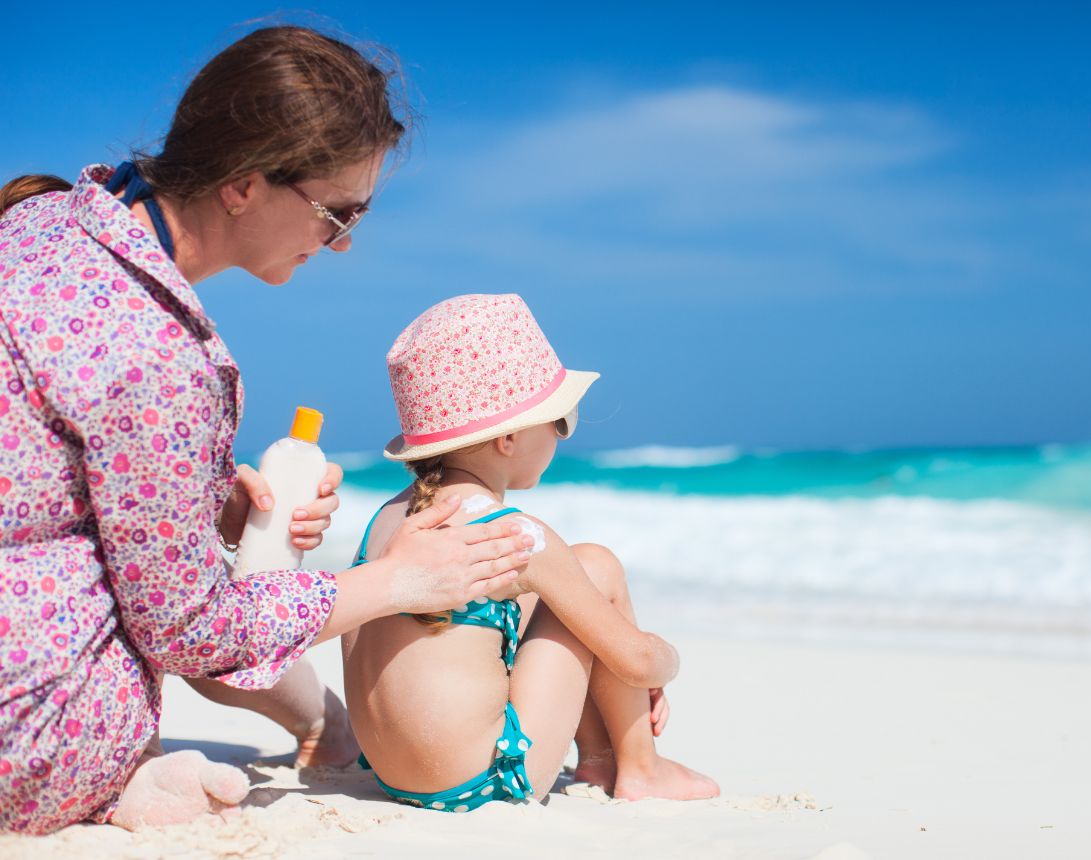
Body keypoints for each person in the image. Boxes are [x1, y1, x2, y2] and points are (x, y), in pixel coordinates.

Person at [0, 26, 532, 834]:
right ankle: (104, 788)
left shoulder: (41, 222)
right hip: (25, 738)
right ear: (243, 186)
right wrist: (399, 581)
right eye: (337, 212)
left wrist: (206, 498)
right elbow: (187, 630)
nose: (347, 242)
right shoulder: (157, 358)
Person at [343, 293, 718, 811]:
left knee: (551, 597)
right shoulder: (515, 535)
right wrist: (659, 663)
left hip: (394, 776)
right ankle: (641, 766)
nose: (563, 436)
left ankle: (599, 758)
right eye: (560, 421)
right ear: (510, 437)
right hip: (482, 786)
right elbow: (636, 661)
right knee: (596, 568)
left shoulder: (391, 518)